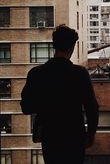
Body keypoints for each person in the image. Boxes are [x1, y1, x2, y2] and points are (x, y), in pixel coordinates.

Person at [21, 25, 99, 164]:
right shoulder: (79, 74)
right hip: (74, 136)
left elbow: (26, 107)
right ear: (72, 47)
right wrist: (91, 133)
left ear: (54, 45)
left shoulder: (37, 74)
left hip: (50, 136)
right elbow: (91, 107)